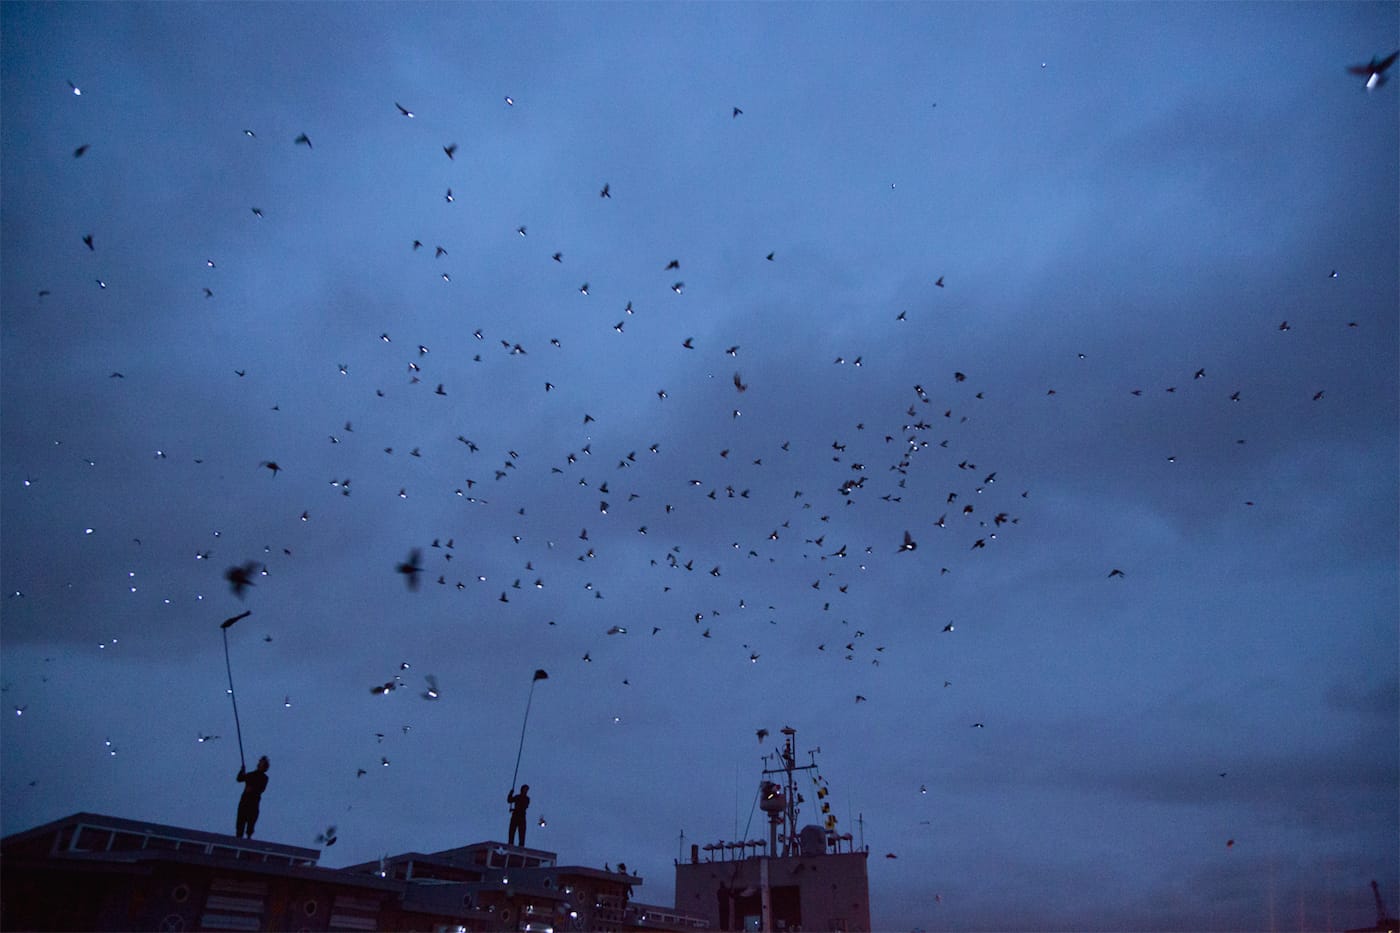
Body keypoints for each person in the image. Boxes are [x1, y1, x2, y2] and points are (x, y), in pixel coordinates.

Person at [235, 756, 270, 838]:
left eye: (261, 762)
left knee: (251, 821)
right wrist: (242, 771)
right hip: (244, 801)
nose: (259, 764)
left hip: (253, 802)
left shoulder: (264, 778)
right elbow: (239, 779)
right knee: (241, 820)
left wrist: (253, 789)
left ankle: (248, 837)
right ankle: (238, 838)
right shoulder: (251, 774)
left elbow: (262, 788)